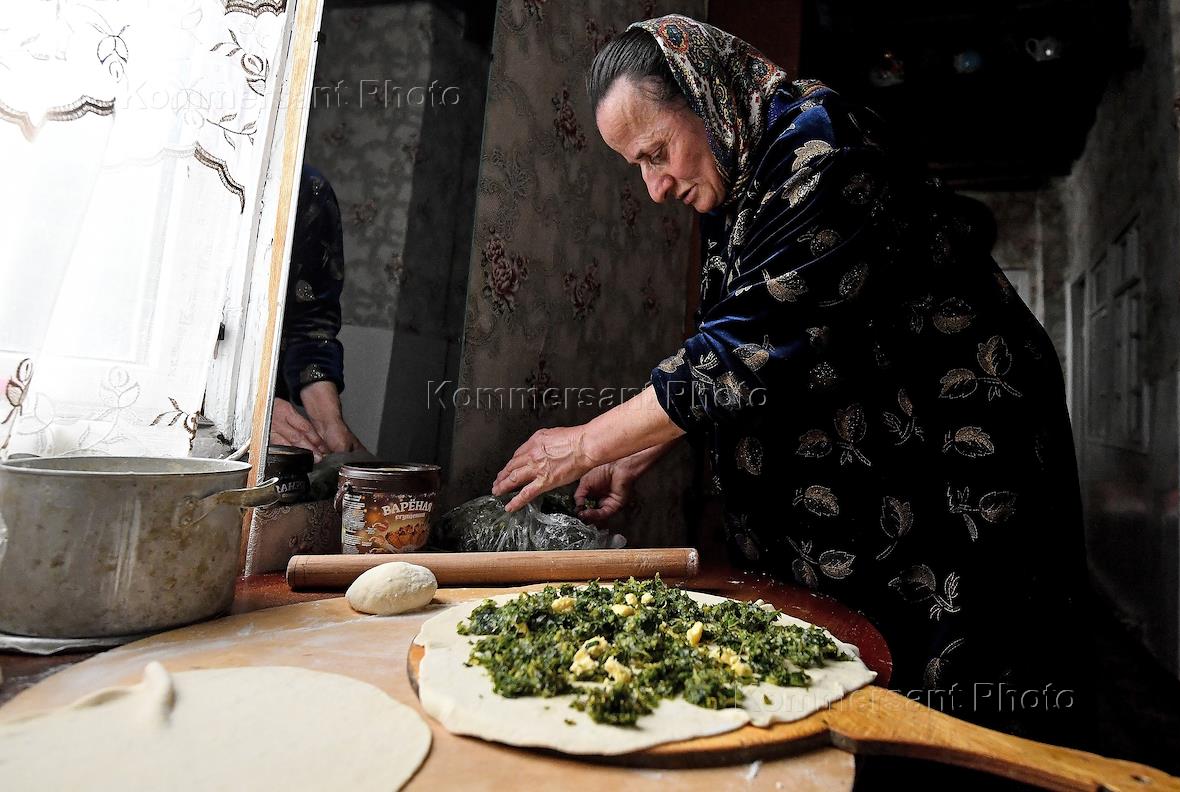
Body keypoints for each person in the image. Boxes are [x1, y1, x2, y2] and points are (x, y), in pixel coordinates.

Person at [492, 14, 1097, 760]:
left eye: (656, 154)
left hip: (952, 454)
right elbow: (768, 352)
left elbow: (746, 348)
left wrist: (586, 443)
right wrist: (637, 449)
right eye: (637, 167)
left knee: (958, 687)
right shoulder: (744, 177)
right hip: (880, 458)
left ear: (706, 97)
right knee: (859, 687)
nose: (654, 188)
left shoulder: (825, 150)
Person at [270, 165, 363, 461]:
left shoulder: (307, 187)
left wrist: (328, 423)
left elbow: (310, 324)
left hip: (270, 413)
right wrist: (249, 411)